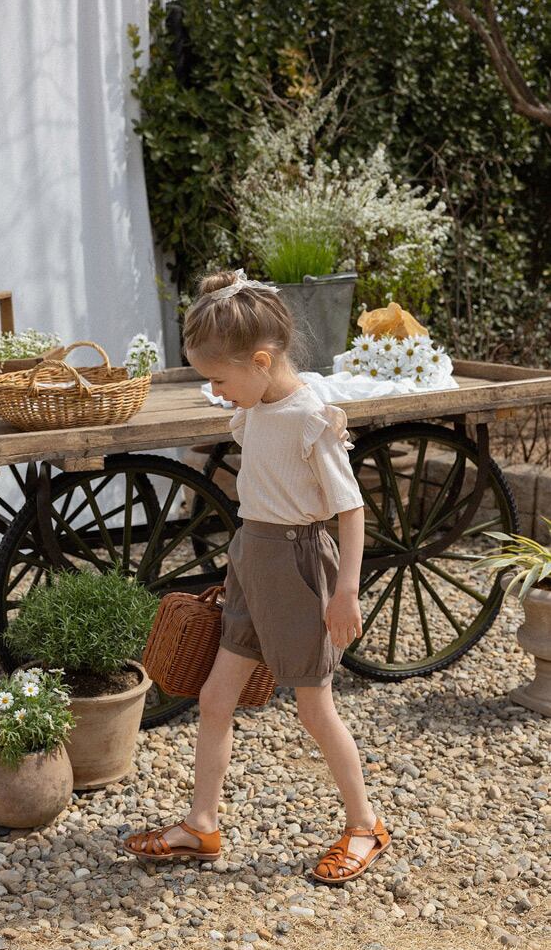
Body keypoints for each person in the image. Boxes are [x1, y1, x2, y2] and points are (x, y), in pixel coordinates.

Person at [123, 268, 391, 883]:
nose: (215, 392)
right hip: (252, 560)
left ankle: (364, 825)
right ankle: (202, 824)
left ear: (262, 361)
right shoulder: (257, 410)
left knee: (314, 708)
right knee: (215, 698)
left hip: (298, 567)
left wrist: (345, 592)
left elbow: (351, 510)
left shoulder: (309, 418)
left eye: (219, 379)